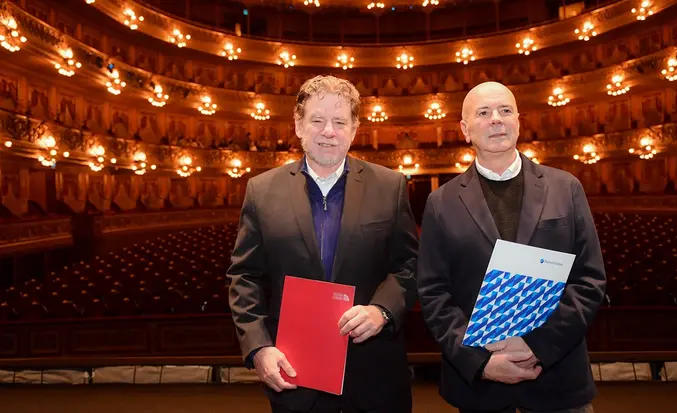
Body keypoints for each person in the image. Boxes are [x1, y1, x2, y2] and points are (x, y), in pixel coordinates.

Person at [227, 75, 419, 413]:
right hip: (296, 375)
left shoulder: (390, 186)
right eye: (317, 120)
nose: (328, 131)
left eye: (339, 121)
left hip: (374, 372)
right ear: (299, 125)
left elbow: (409, 265)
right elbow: (245, 278)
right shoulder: (261, 190)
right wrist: (259, 347)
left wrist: (382, 310)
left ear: (355, 128)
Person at [416, 81, 606, 413]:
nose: (496, 120)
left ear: (519, 121)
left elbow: (589, 281)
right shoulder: (440, 202)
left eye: (505, 111)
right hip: (481, 391)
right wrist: (479, 362)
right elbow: (434, 294)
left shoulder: (566, 187)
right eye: (484, 113)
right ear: (465, 129)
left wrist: (537, 345)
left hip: (558, 381)